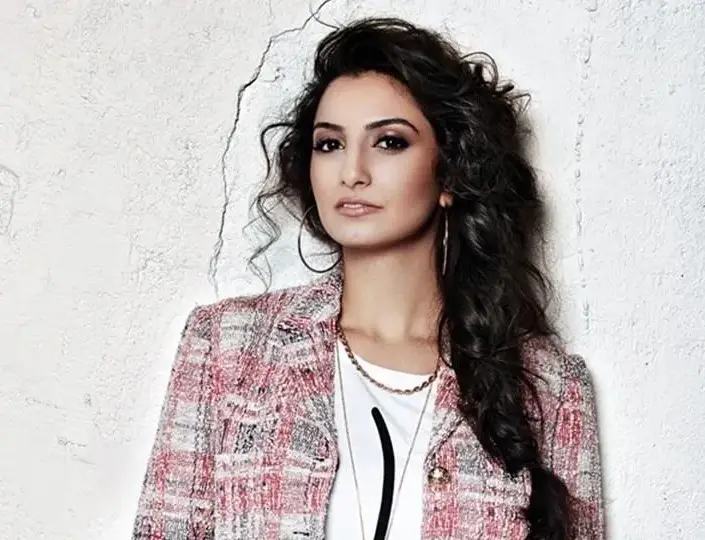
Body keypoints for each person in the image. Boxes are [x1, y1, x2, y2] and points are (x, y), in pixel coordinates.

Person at [132, 16, 604, 540]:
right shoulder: (228, 348)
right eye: (329, 144)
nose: (352, 172)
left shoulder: (551, 388)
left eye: (390, 142)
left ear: (450, 173)